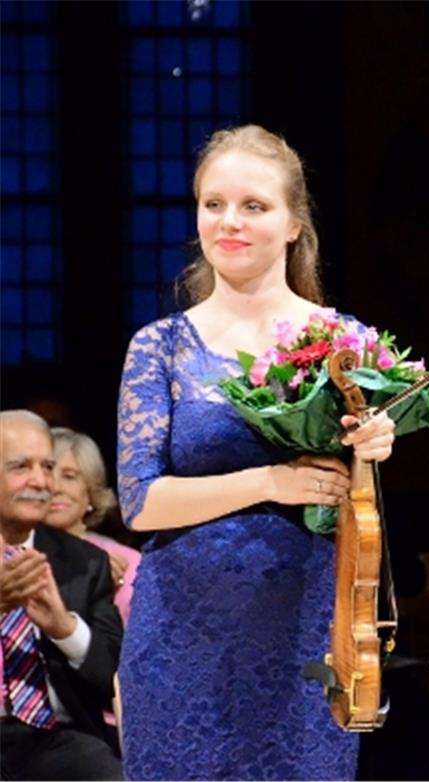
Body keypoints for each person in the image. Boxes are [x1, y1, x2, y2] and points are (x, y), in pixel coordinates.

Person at [115, 125, 395, 781]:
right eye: (213, 204)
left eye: (253, 206)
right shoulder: (161, 348)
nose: (228, 222)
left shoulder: (342, 341)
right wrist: (271, 479)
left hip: (303, 635)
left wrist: (374, 446)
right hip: (181, 640)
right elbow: (140, 503)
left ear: (295, 222)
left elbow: (356, 492)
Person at [0, 410, 123, 781]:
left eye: (48, 466)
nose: (40, 480)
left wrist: (65, 628)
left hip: (56, 739)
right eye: (21, 466)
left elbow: (116, 679)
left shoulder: (85, 563)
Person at [46, 427, 140, 626]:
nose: (55, 487)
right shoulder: (11, 554)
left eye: (69, 476)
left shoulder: (128, 563)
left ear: (90, 492)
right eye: (47, 473)